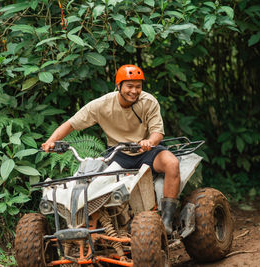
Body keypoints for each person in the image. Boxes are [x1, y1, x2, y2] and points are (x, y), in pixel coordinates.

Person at [41, 64, 180, 234]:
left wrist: (148, 141)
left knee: (172, 163)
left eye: (138, 87)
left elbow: (157, 132)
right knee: (94, 183)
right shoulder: (102, 104)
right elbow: (71, 124)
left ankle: (166, 221)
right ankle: (95, 224)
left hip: (146, 151)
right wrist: (50, 142)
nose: (134, 91)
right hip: (118, 153)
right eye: (129, 86)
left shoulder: (148, 101)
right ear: (118, 86)